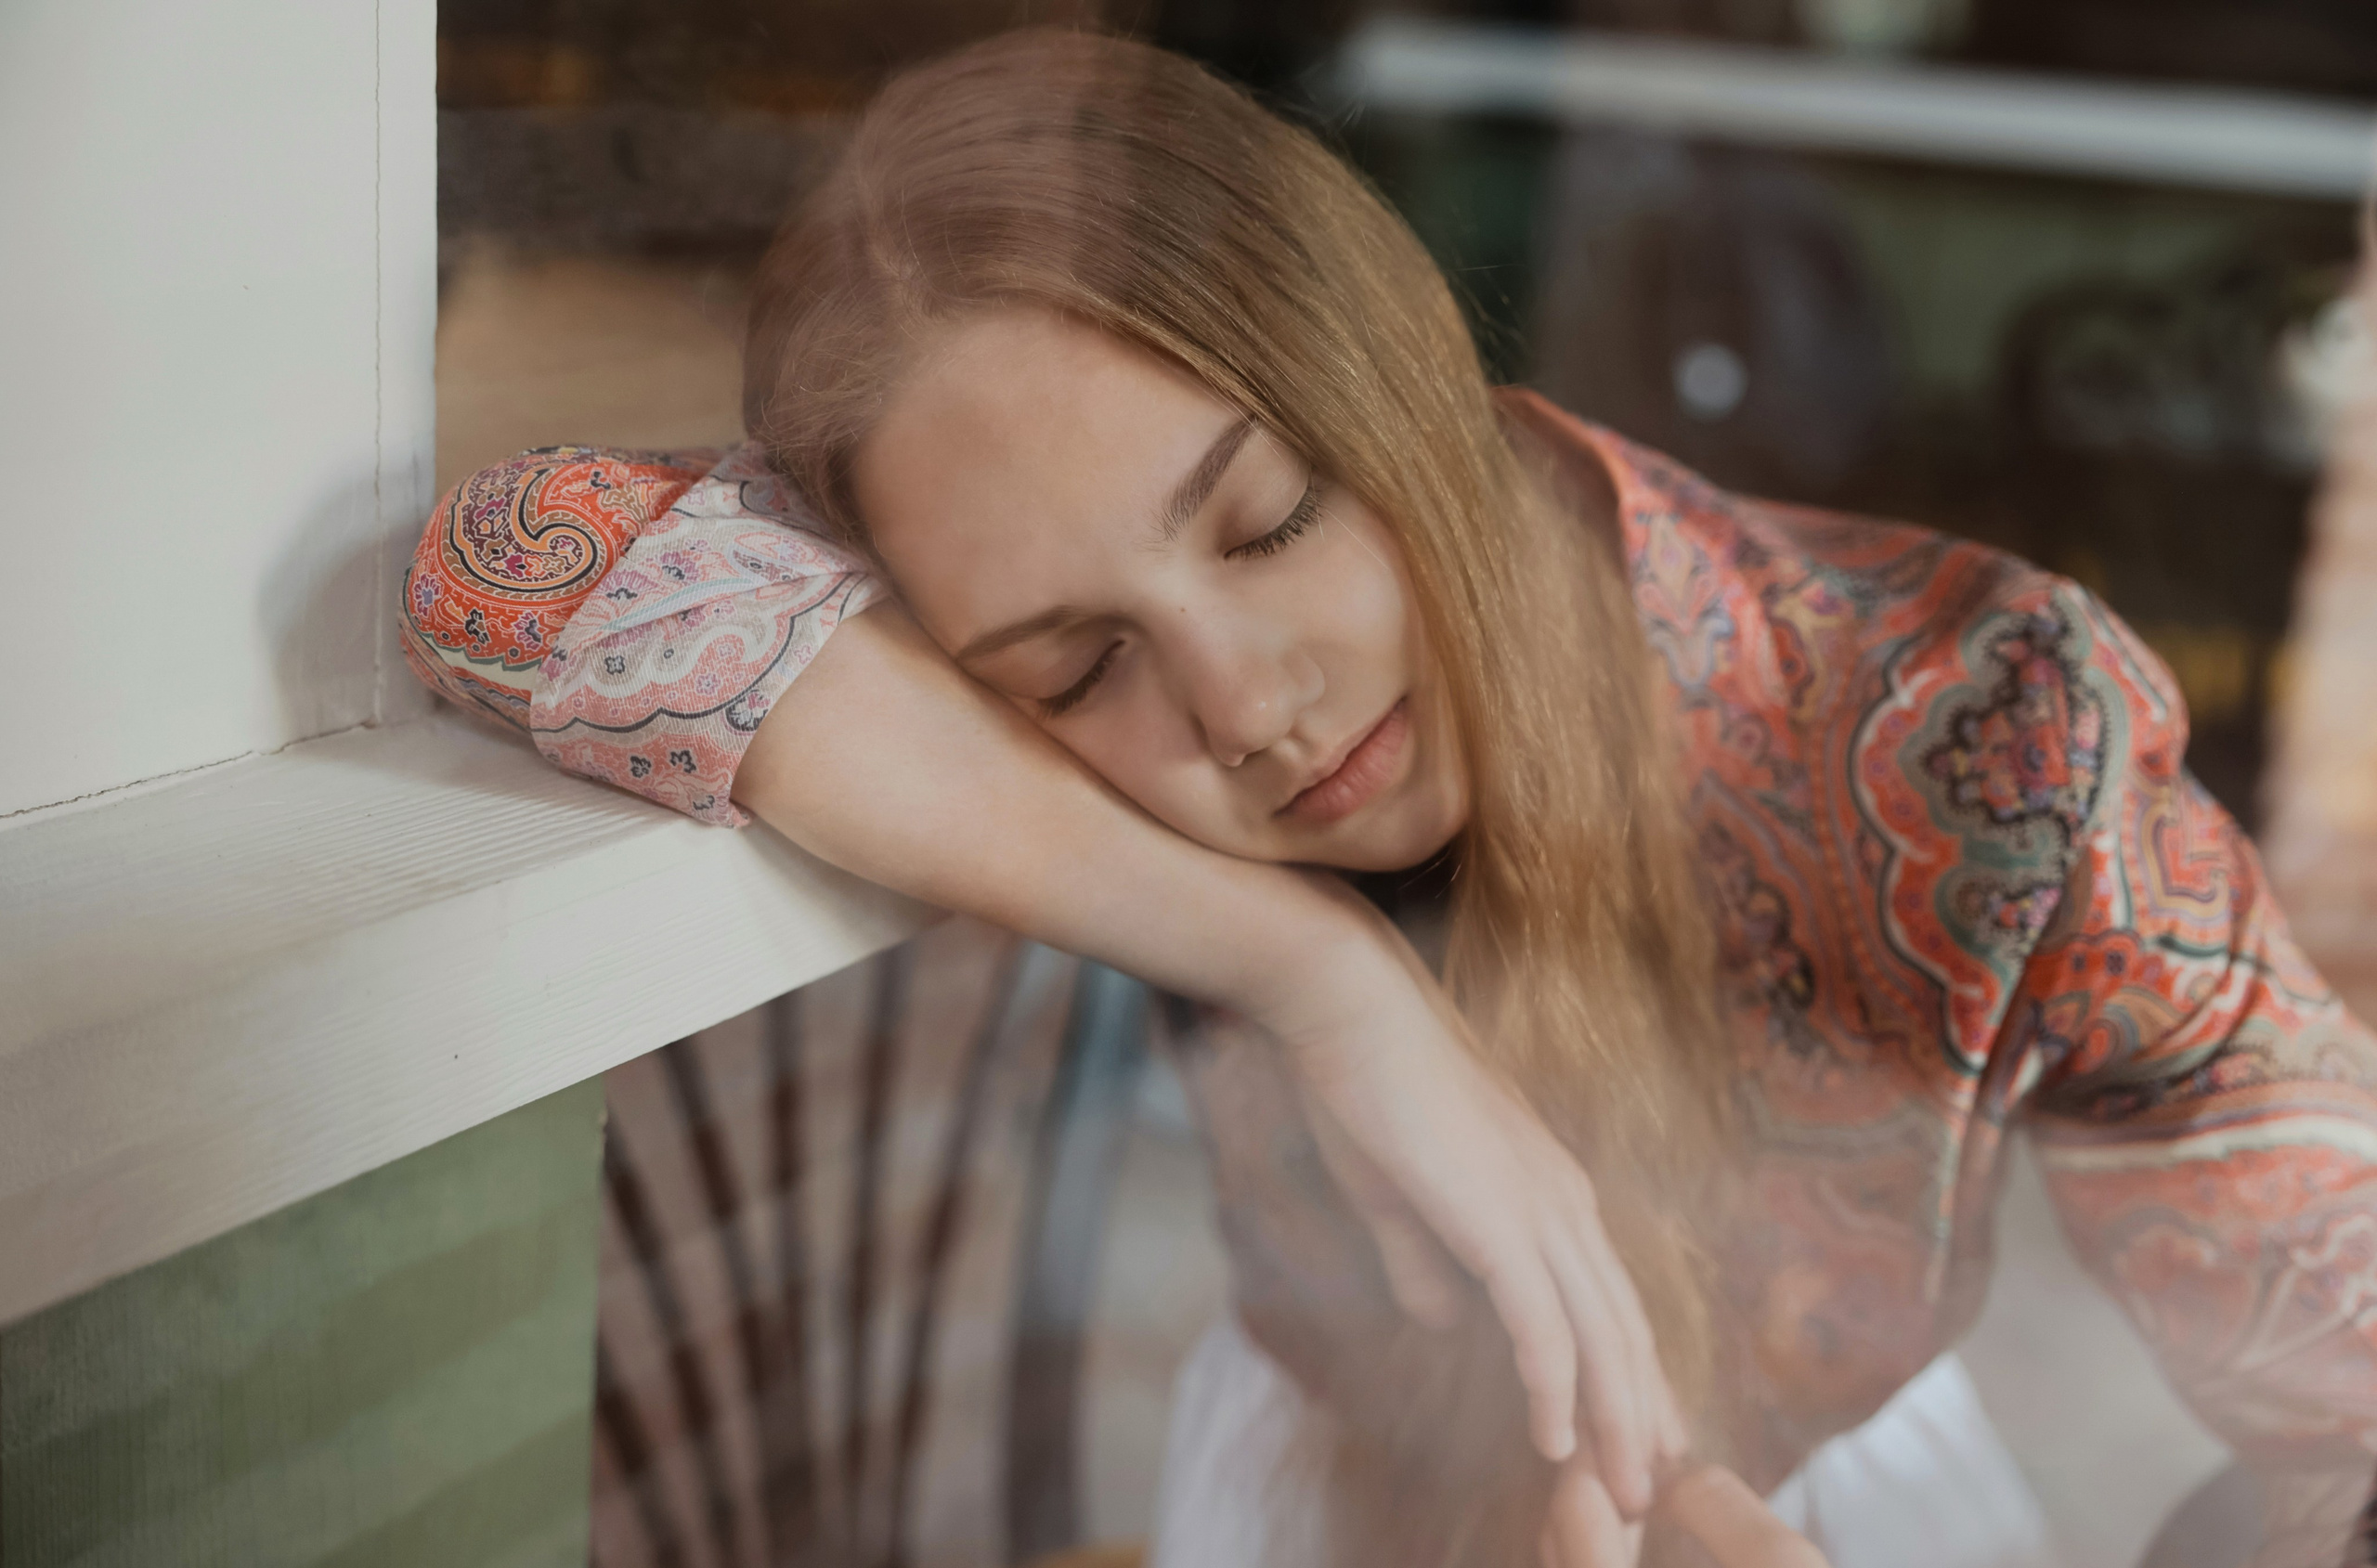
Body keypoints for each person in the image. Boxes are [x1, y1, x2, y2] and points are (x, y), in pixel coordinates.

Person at [401, 29, 2377, 1567]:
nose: (1247, 704)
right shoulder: (1118, 759)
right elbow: (502, 565)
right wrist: (1306, 970)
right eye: (1076, 668)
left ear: (1401, 367)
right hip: (1317, 1455)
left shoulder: (1989, 729)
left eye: (1272, 523)